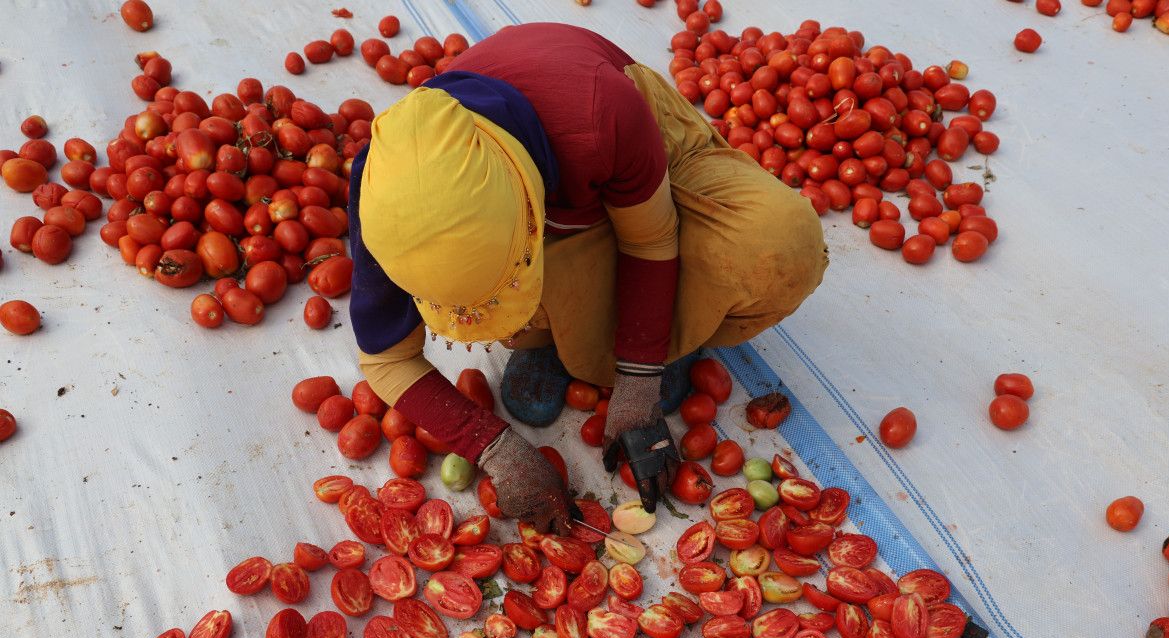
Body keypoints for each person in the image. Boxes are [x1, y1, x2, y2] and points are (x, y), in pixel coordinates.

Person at [349, 22, 827, 533]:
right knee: (563, 322)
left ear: (531, 218)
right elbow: (386, 358)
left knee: (777, 246)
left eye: (509, 277)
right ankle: (565, 338)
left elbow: (649, 239)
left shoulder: (598, 116)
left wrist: (639, 377)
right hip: (560, 197)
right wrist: (491, 446)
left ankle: (662, 335)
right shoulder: (384, 193)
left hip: (641, 158)